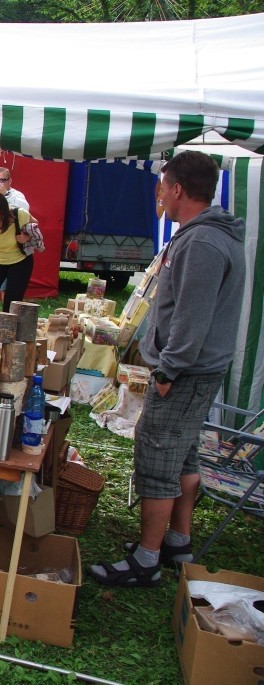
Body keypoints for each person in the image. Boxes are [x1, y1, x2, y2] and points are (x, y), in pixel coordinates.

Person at [90, 151, 245, 588]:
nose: (158, 193)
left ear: (178, 188)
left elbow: (191, 321)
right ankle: (178, 541)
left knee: (156, 456)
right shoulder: (204, 235)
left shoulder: (203, 242)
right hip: (195, 371)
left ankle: (147, 560)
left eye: (162, 185)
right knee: (184, 453)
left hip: (186, 373)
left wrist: (165, 373)